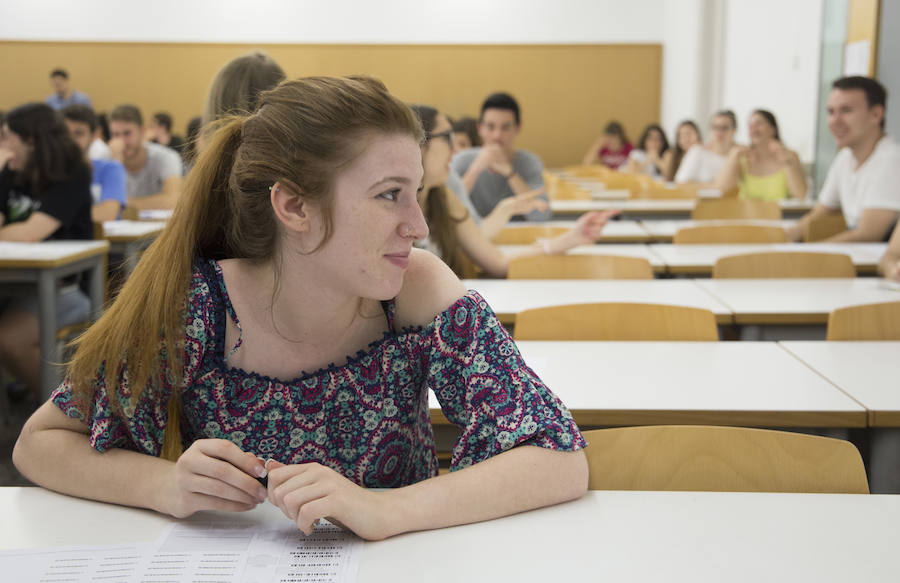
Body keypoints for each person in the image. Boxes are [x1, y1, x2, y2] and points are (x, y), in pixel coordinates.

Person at [12, 76, 588, 541]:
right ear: (293, 206)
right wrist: (164, 486)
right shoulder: (198, 307)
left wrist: (386, 511)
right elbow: (38, 444)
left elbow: (558, 458)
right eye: (390, 194)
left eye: (415, 193)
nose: (418, 225)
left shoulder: (415, 292)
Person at [413, 104, 617, 277]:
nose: (455, 148)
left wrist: (570, 238)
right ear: (420, 144)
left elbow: (500, 262)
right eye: (447, 138)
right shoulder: (390, 205)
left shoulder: (443, 196)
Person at [0, 103, 92, 400]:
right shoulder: (10, 172)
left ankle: (65, 417)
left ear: (30, 140)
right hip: (12, 286)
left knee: (10, 340)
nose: (3, 145)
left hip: (62, 289)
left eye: (6, 137)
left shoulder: (73, 172)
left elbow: (30, 234)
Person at [787, 77, 900, 242]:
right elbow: (818, 214)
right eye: (831, 112)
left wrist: (807, 253)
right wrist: (784, 239)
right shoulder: (845, 158)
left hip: (879, 265)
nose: (835, 121)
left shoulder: (892, 159)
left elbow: (868, 234)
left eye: (846, 110)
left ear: (876, 114)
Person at [451, 92, 550, 221]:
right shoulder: (461, 160)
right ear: (480, 128)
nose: (497, 135)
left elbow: (541, 217)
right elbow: (447, 210)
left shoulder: (530, 162)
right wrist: (475, 168)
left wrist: (510, 173)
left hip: (518, 237)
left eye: (505, 127)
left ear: (517, 128)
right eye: (490, 127)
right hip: (475, 236)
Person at [716, 110, 806, 201]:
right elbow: (721, 189)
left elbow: (800, 195)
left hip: (780, 214)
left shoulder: (790, 156)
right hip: (747, 214)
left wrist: (785, 161)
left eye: (758, 123)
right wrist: (733, 157)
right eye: (750, 125)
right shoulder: (743, 158)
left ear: (773, 129)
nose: (753, 128)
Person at [108, 104, 183, 210]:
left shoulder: (166, 157)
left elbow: (173, 201)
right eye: (116, 135)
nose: (121, 141)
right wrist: (115, 165)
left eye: (127, 133)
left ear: (142, 131)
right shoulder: (106, 159)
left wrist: (120, 203)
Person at [62, 105, 127, 223]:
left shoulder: (110, 169)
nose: (70, 141)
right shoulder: (52, 172)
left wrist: (52, 217)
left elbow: (107, 214)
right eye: (65, 134)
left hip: (106, 240)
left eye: (78, 134)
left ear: (94, 135)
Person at [674, 111, 737, 185]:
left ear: (734, 130)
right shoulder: (698, 151)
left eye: (724, 128)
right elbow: (680, 182)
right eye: (715, 127)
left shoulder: (739, 154)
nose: (719, 132)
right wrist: (717, 185)